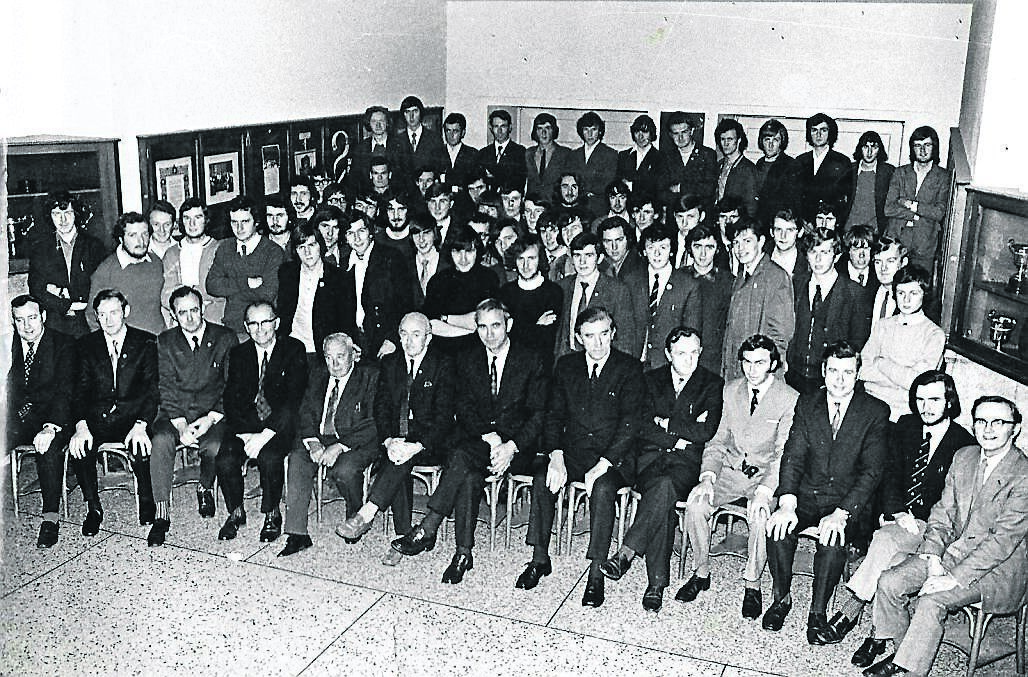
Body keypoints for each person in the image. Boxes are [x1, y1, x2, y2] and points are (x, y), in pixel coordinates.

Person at [863, 399, 1028, 677]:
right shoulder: (964, 456)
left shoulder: (1023, 475)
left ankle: (909, 667)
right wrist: (933, 557)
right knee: (890, 581)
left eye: (998, 422)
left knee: (932, 599)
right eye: (981, 421)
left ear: (1016, 428)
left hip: (998, 569)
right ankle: (905, 657)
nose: (987, 429)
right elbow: (942, 513)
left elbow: (1002, 542)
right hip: (954, 553)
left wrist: (952, 577)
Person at [821, 371, 974, 658]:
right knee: (889, 556)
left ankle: (850, 610)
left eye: (934, 400)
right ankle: (877, 636)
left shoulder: (963, 444)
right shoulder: (906, 425)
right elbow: (888, 474)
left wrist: (912, 519)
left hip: (933, 526)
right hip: (900, 519)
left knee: (885, 542)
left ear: (949, 401)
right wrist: (893, 511)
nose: (926, 407)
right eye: (920, 400)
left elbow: (954, 503)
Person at [393, 299, 546, 584]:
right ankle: (463, 554)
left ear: (508, 325)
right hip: (480, 441)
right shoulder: (467, 359)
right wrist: (489, 438)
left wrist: (510, 447)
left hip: (519, 447)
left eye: (496, 326)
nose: (490, 334)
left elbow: (537, 415)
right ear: (476, 329)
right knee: (467, 473)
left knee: (462, 459)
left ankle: (429, 527)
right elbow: (462, 407)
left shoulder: (531, 359)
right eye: (483, 327)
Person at [763, 340, 890, 644]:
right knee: (778, 529)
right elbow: (792, 456)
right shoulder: (808, 403)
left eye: (848, 372)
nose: (840, 379)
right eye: (833, 370)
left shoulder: (875, 411)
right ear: (823, 371)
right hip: (808, 494)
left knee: (832, 541)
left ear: (858, 374)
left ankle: (818, 611)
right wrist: (788, 502)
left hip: (847, 501)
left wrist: (843, 513)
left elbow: (872, 472)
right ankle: (781, 598)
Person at [516, 307, 644, 607]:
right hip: (572, 452)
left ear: (613, 334)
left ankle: (596, 572)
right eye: (590, 336)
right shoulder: (566, 365)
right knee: (541, 477)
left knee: (603, 488)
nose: (598, 344)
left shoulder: (630, 368)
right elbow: (553, 414)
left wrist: (603, 464)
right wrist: (556, 456)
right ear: (578, 338)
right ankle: (539, 558)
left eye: (603, 335)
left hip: (613, 457)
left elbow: (631, 424)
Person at [600, 327, 723, 612]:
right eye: (681, 353)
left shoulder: (712, 383)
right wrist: (676, 436)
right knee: (662, 491)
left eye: (694, 353)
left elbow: (706, 429)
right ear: (668, 354)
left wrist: (665, 422)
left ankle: (630, 556)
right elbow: (640, 424)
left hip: (685, 465)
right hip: (648, 460)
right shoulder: (650, 379)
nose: (689, 359)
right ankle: (655, 583)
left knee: (664, 489)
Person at [677, 334, 798, 618]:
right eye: (746, 362)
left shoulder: (789, 398)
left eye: (759, 363)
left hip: (764, 477)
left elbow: (784, 454)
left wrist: (766, 491)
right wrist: (707, 477)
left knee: (760, 517)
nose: (752, 370)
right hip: (729, 472)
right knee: (696, 504)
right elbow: (717, 442)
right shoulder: (729, 391)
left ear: (773, 364)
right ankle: (701, 571)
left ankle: (752, 583)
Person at [335, 313, 455, 565]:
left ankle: (367, 513)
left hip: (430, 442)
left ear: (429, 337)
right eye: (403, 334)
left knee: (400, 460)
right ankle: (402, 539)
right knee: (397, 459)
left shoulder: (443, 364)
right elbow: (381, 408)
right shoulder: (391, 363)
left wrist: (415, 445)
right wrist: (389, 440)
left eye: (416, 334)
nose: (409, 341)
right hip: (395, 439)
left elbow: (444, 418)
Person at [149, 286, 237, 546]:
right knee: (161, 443)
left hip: (213, 412)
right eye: (182, 313)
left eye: (194, 310)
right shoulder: (165, 341)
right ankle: (161, 512)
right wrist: (180, 424)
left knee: (213, 446)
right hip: (176, 412)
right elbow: (165, 386)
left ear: (203, 309)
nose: (190, 318)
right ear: (174, 315)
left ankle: (205, 486)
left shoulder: (225, 337)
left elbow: (231, 385)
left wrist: (211, 417)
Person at [216, 302, 308, 547]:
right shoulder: (238, 354)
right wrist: (244, 434)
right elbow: (230, 399)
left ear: (276, 323)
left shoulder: (293, 349)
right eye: (253, 324)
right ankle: (236, 511)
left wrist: (263, 436)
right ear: (246, 326)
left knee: (269, 458)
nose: (260, 329)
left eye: (265, 322)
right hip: (245, 426)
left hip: (279, 426)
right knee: (224, 458)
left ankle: (272, 513)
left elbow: (293, 400)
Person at [71, 289, 159, 540]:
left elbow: (152, 390)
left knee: (141, 445)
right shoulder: (86, 345)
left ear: (126, 312)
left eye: (114, 313)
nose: (108, 320)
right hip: (98, 418)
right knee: (80, 447)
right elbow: (79, 391)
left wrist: (141, 424)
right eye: (102, 315)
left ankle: (146, 498)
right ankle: (93, 507)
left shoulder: (146, 342)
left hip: (133, 418)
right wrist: (80, 425)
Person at [281, 333, 379, 555]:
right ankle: (297, 533)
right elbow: (304, 411)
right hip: (321, 437)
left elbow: (374, 422)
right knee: (297, 459)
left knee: (345, 470)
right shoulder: (317, 375)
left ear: (353, 354)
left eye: (340, 357)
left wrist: (340, 446)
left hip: (355, 440)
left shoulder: (369, 376)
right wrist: (313, 442)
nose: (334, 364)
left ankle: (356, 517)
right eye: (328, 357)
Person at [6, 295, 86, 547]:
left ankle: (50, 518)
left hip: (58, 417)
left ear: (43, 316)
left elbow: (65, 390)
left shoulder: (64, 344)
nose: (27, 326)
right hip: (24, 417)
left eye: (32, 318)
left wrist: (50, 427)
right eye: (20, 321)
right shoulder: (14, 344)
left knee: (48, 448)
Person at [786, 227, 871, 394]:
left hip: (828, 381)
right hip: (794, 375)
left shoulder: (854, 293)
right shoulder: (796, 284)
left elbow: (857, 341)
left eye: (825, 252)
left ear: (837, 255)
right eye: (813, 252)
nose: (818, 259)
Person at [860, 265, 945, 420]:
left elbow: (917, 383)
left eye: (913, 293)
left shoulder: (933, 334)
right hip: (869, 405)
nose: (906, 300)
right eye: (901, 293)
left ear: (924, 295)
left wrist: (881, 362)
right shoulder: (883, 325)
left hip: (903, 413)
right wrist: (902, 376)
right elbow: (863, 369)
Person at [721, 218, 795, 379]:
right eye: (736, 243)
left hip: (759, 375)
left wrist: (766, 372)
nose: (740, 248)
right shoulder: (741, 277)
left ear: (761, 241)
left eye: (747, 241)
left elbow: (780, 335)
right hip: (738, 371)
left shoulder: (776, 276)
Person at [26, 190, 105, 337]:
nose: (63, 220)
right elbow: (36, 289)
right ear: (50, 216)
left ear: (76, 214)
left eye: (67, 213)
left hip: (89, 322)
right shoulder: (41, 249)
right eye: (56, 214)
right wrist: (67, 305)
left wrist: (57, 292)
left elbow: (100, 285)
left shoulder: (94, 246)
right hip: (55, 323)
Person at [554, 232, 641, 361]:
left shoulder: (617, 289)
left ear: (599, 258)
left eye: (588, 255)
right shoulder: (561, 287)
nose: (582, 262)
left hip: (602, 363)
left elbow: (625, 338)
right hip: (567, 362)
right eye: (577, 255)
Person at [276, 217, 356, 358]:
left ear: (320, 246)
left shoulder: (339, 278)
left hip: (323, 350)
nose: (307, 253)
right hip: (292, 346)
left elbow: (345, 321)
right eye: (302, 247)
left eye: (312, 245)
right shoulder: (287, 273)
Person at [207, 195, 284, 338]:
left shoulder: (273, 251)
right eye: (234, 222)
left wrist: (230, 290)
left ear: (257, 222)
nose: (239, 228)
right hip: (231, 328)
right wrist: (246, 282)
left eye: (245, 221)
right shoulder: (225, 248)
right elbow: (211, 285)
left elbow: (267, 294)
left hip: (261, 330)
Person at [342, 211, 415, 360]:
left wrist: (393, 338)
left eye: (361, 231)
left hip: (385, 341)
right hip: (356, 343)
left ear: (371, 232)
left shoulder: (391, 257)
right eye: (350, 233)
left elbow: (405, 303)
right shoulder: (344, 265)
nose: (356, 238)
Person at [631, 225, 704, 370]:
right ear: (644, 251)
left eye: (663, 247)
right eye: (651, 248)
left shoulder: (688, 285)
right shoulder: (631, 281)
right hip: (635, 364)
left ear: (671, 251)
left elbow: (691, 332)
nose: (657, 254)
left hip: (668, 366)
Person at [423, 223, 501, 355]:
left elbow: (480, 320)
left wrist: (445, 318)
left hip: (478, 352)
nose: (463, 258)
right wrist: (468, 330)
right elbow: (431, 325)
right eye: (457, 251)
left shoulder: (488, 278)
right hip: (443, 352)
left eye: (469, 251)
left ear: (477, 251)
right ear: (450, 252)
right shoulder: (438, 281)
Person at [884, 125, 951, 273]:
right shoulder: (900, 172)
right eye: (917, 146)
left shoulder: (943, 176)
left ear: (934, 147)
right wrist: (915, 216)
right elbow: (888, 208)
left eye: (927, 145)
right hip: (896, 239)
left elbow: (939, 212)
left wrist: (910, 204)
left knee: (919, 287)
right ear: (912, 149)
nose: (922, 150)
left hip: (924, 244)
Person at [87, 211, 166, 336]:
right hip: (128, 346)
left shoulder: (156, 262)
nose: (141, 241)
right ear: (120, 239)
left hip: (157, 340)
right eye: (132, 235)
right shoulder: (105, 271)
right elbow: (93, 316)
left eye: (144, 234)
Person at [497, 234, 563, 370]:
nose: (525, 265)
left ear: (540, 260)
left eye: (531, 258)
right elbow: (502, 335)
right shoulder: (506, 292)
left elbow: (547, 337)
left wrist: (516, 326)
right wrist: (536, 325)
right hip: (511, 366)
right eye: (521, 259)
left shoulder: (553, 292)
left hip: (542, 367)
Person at [161, 198, 225, 327]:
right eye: (187, 218)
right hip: (182, 320)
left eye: (198, 217)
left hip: (214, 320)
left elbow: (222, 292)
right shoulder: (172, 253)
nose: (192, 224)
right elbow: (166, 295)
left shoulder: (219, 249)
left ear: (206, 220)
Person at [683, 224, 734, 375]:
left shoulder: (728, 281)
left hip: (715, 360)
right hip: (684, 358)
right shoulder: (678, 277)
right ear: (690, 248)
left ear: (717, 249)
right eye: (698, 246)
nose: (703, 253)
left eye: (709, 247)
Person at [792, 113, 853, 224]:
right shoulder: (800, 161)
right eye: (814, 130)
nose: (818, 135)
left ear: (831, 133)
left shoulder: (842, 161)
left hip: (829, 223)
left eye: (823, 130)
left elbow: (846, 200)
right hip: (804, 224)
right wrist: (802, 221)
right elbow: (795, 196)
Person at [663, 112, 718, 211]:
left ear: (691, 131)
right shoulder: (666, 157)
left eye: (684, 132)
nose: (680, 138)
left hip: (701, 216)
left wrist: (681, 188)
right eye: (676, 133)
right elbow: (661, 190)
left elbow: (709, 189)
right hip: (675, 216)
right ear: (670, 135)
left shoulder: (707, 154)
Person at [568, 111, 619, 218]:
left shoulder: (610, 154)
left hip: (599, 208)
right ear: (581, 132)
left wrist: (584, 189)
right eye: (586, 129)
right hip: (576, 206)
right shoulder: (574, 154)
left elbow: (607, 183)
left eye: (594, 129)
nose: (590, 134)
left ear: (600, 131)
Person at [849, 131, 895, 235]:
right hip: (849, 231)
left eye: (874, 147)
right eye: (865, 147)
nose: (869, 152)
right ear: (860, 149)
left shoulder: (888, 172)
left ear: (879, 150)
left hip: (875, 232)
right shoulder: (849, 170)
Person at [754, 119, 797, 229]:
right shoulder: (759, 163)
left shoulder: (790, 165)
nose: (770, 144)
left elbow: (792, 202)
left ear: (782, 142)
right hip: (757, 223)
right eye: (767, 139)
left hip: (777, 224)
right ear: (761, 142)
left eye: (776, 140)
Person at [396, 95, 444, 189]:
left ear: (421, 113)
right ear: (403, 115)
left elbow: (439, 167)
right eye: (407, 112)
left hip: (427, 190)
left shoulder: (434, 138)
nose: (411, 116)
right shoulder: (397, 140)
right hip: (405, 192)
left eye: (415, 111)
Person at [350, 105, 401, 194]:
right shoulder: (360, 148)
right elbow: (354, 178)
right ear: (369, 123)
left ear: (387, 122)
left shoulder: (399, 146)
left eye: (381, 121)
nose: (378, 125)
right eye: (374, 121)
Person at [616, 114, 667, 200]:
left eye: (645, 132)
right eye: (637, 132)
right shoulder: (624, 155)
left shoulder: (660, 158)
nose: (641, 137)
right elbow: (617, 182)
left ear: (652, 133)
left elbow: (658, 187)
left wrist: (631, 185)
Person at [714, 118, 757, 218]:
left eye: (730, 139)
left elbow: (751, 206)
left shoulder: (748, 169)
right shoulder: (719, 165)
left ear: (739, 140)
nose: (726, 143)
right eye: (722, 139)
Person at [476, 109, 526, 191]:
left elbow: (518, 182)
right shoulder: (483, 153)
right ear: (491, 128)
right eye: (496, 126)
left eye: (503, 126)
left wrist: (493, 178)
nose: (499, 131)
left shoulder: (520, 152)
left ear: (510, 127)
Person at [525, 112, 570, 200]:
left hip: (555, 206)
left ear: (554, 130)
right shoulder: (528, 153)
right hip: (533, 206)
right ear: (535, 131)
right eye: (539, 128)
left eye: (548, 128)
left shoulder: (565, 154)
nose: (543, 133)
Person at [869, 234, 908, 330]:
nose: (883, 268)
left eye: (890, 261)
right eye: (878, 262)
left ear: (903, 262)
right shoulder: (865, 293)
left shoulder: (911, 300)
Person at [598, 215, 643, 282]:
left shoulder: (638, 267)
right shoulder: (602, 266)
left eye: (619, 240)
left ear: (628, 239)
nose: (614, 247)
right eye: (608, 241)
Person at [441, 112, 479, 188]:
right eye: (448, 130)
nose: (451, 135)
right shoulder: (435, 154)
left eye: (455, 131)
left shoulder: (472, 154)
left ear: (463, 133)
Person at [671, 194, 705, 269]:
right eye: (680, 216)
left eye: (690, 217)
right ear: (674, 216)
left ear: (702, 216)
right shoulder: (667, 242)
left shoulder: (708, 244)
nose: (684, 223)